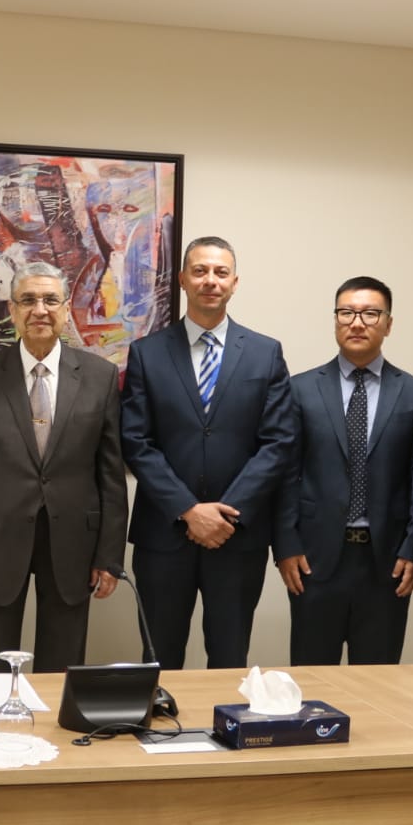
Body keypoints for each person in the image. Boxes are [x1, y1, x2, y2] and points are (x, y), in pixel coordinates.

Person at [0, 262, 128, 671]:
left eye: (50, 300)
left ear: (66, 308)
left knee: (62, 669)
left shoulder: (99, 376)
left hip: (74, 542)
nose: (39, 310)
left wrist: (110, 556)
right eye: (28, 300)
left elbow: (111, 476)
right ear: (12, 310)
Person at [120, 237, 295, 669]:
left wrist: (224, 515)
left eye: (220, 272)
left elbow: (278, 443)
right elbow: (136, 441)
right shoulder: (147, 353)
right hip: (164, 536)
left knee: (230, 659)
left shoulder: (265, 353)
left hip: (237, 538)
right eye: (199, 271)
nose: (210, 281)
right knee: (159, 662)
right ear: (183, 280)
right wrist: (187, 509)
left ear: (235, 282)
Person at [274, 276, 413, 665]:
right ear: (335, 320)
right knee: (312, 677)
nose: (357, 323)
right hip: (314, 559)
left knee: (377, 680)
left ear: (388, 324)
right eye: (346, 313)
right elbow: (285, 474)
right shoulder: (300, 389)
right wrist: (285, 544)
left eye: (370, 313)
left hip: (386, 562)